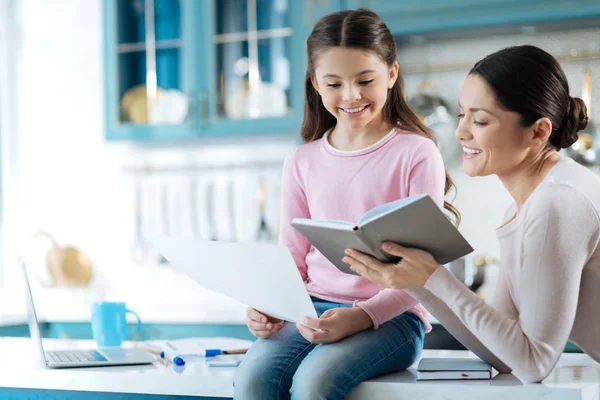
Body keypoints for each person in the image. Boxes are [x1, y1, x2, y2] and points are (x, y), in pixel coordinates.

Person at [233, 8, 460, 400]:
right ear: (315, 85)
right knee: (251, 379)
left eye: (365, 80)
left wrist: (361, 316)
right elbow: (291, 255)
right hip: (310, 308)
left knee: (313, 382)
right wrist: (269, 306)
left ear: (391, 74)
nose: (351, 96)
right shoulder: (301, 162)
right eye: (334, 83)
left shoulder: (417, 153)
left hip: (394, 317)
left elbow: (423, 269)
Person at [343, 44, 600, 383]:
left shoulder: (556, 204)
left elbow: (533, 363)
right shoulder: (526, 204)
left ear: (539, 131)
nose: (460, 132)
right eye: (463, 114)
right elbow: (504, 354)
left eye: (479, 120)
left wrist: (434, 276)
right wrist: (415, 280)